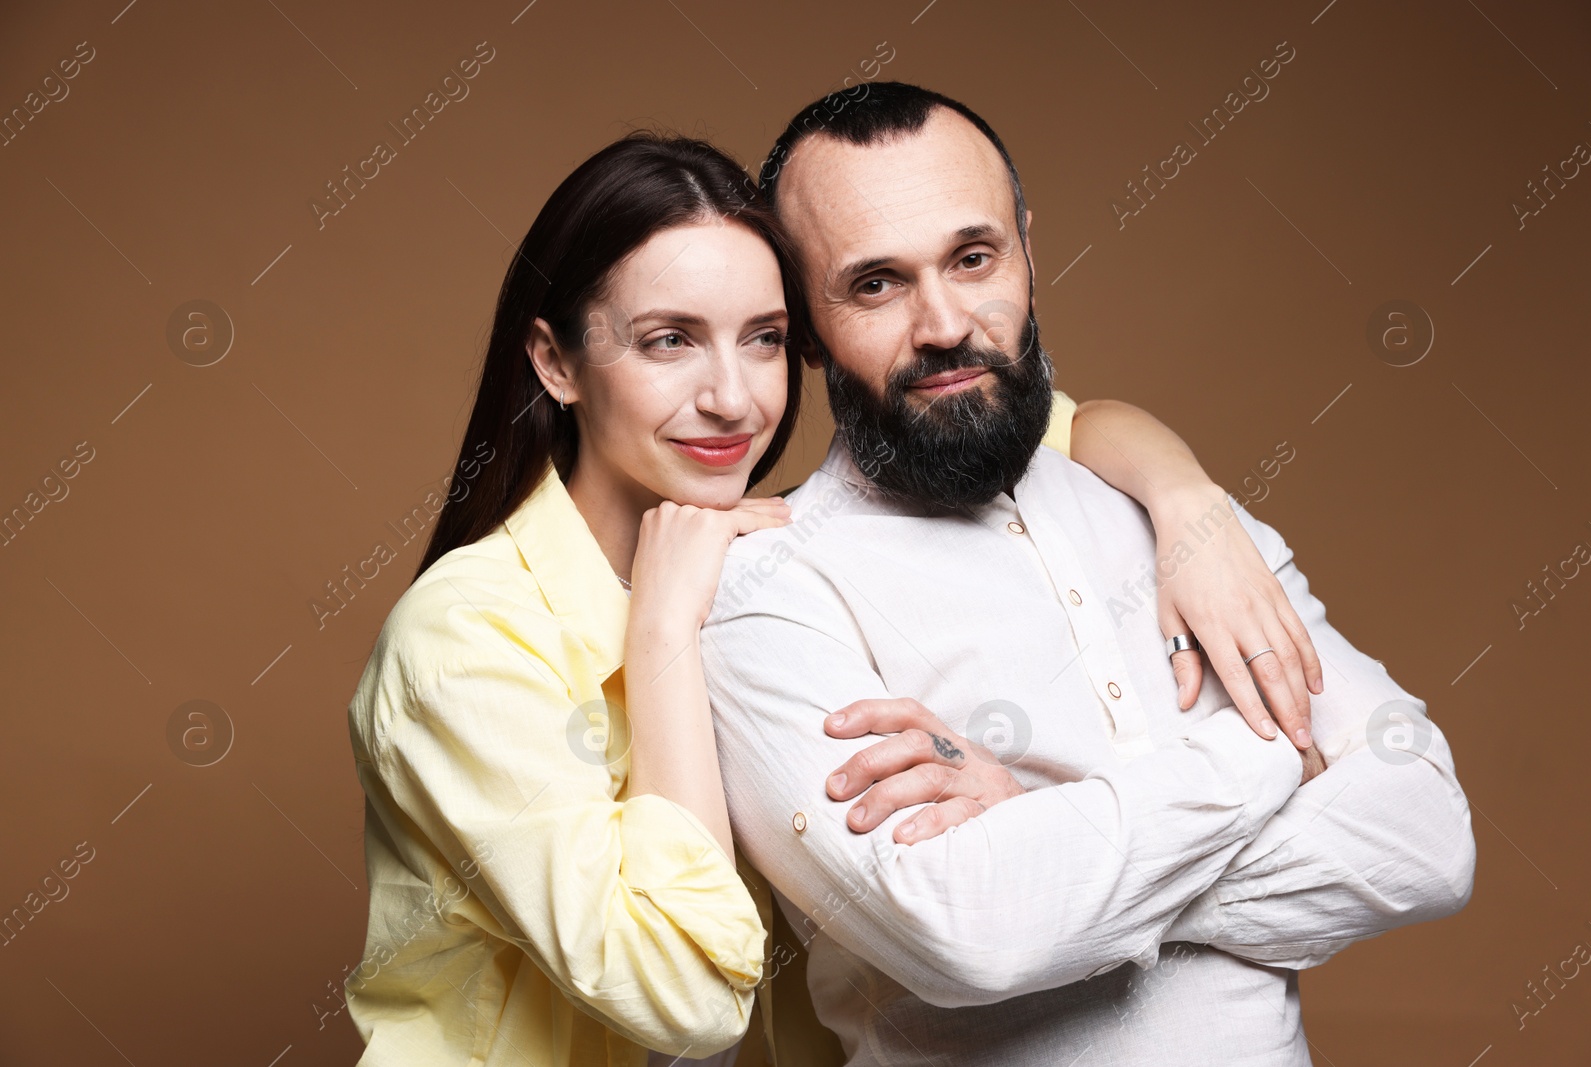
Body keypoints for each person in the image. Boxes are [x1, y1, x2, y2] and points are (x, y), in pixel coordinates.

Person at [341, 130, 1350, 1065]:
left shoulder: (772, 539)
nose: (732, 398)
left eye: (766, 338)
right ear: (555, 361)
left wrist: (1188, 509)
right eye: (667, 341)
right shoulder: (469, 640)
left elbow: (1065, 431)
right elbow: (687, 994)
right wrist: (660, 630)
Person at [699, 83, 1477, 1065]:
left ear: (1027, 247)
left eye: (973, 258)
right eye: (875, 284)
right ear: (803, 326)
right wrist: (1279, 755)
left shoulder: (1183, 525)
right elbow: (964, 934)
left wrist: (1038, 835)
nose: (943, 323)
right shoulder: (764, 584)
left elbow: (1427, 838)